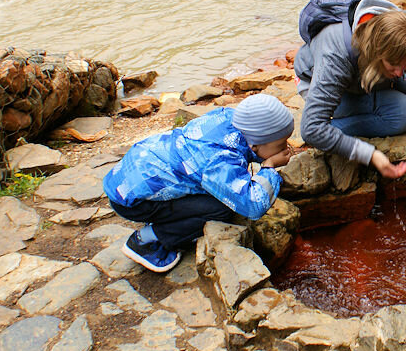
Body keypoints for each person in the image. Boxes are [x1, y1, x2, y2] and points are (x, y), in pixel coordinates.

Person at [102, 94, 294, 272]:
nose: (285, 149)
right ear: (255, 145)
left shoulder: (229, 119)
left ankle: (166, 216)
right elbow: (252, 206)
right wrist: (269, 167)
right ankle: (148, 240)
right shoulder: (219, 158)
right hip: (132, 203)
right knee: (221, 209)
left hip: (129, 176)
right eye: (280, 145)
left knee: (217, 192)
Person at [294, 0, 406, 179]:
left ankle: (386, 82)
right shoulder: (336, 54)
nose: (400, 73)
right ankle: (337, 128)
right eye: (394, 66)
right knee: (403, 113)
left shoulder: (405, 26)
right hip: (336, 82)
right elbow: (311, 128)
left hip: (373, 70)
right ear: (376, 52)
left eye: (405, 64)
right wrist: (369, 154)